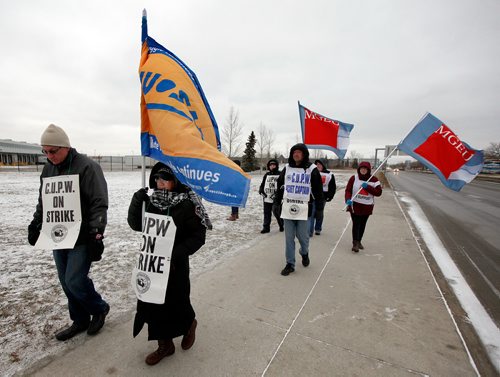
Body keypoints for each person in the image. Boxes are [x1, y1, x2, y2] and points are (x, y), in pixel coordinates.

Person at [28, 124, 110, 341]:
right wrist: (36, 223)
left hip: (82, 235)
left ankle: (99, 308)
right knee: (65, 281)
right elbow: (44, 202)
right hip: (58, 235)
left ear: (65, 146)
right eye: (44, 151)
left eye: (52, 151)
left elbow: (99, 202)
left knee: (74, 279)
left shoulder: (88, 167)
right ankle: (80, 319)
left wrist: (96, 233)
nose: (48, 156)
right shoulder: (48, 169)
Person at [127, 162, 209, 366]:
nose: (160, 183)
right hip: (152, 263)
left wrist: (174, 253)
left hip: (175, 264)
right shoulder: (151, 201)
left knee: (176, 302)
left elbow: (198, 236)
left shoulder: (187, 204)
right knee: (152, 303)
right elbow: (137, 225)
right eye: (157, 179)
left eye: (165, 179)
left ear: (175, 182)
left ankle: (189, 323)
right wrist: (137, 201)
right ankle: (165, 345)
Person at [274, 143, 323, 276]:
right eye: (294, 152)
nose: (296, 154)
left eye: (299, 152)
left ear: (304, 154)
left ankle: (304, 252)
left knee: (303, 237)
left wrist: (319, 208)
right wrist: (276, 203)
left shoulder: (312, 169)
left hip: (305, 209)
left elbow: (318, 191)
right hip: (288, 208)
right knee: (289, 238)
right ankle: (290, 263)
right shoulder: (287, 168)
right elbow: (280, 186)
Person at [344, 161, 382, 252]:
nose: (363, 170)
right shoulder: (354, 178)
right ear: (359, 169)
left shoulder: (374, 180)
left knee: (362, 224)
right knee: (356, 223)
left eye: (365, 169)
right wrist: (348, 200)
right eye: (361, 168)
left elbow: (378, 193)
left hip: (367, 206)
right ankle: (355, 243)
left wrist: (368, 187)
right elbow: (348, 190)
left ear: (368, 170)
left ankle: (359, 241)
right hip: (355, 205)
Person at [308, 159, 336, 237]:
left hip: (323, 196)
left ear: (323, 165)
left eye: (320, 164)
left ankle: (318, 229)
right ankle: (310, 231)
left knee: (319, 213)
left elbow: (332, 186)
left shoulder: (329, 174)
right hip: (312, 195)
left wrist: (330, 196)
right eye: (317, 164)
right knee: (312, 213)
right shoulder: (312, 172)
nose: (318, 166)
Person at [258, 159, 284, 233]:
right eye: (271, 165)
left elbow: (283, 186)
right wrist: (261, 191)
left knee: (277, 213)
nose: (272, 166)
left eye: (274, 165)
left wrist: (279, 195)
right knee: (267, 213)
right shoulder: (266, 174)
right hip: (267, 198)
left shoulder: (280, 174)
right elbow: (262, 185)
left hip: (277, 198)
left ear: (276, 166)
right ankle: (266, 227)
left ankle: (281, 224)